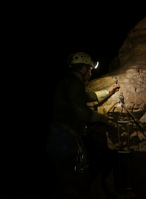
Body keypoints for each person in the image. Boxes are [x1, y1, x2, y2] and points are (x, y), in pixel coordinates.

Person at [46, 52, 120, 199]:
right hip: (65, 139)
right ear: (84, 69)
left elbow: (87, 96)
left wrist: (108, 91)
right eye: (90, 70)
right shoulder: (73, 84)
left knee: (68, 177)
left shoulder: (69, 82)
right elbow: (84, 114)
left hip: (59, 136)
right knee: (70, 180)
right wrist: (106, 120)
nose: (91, 74)